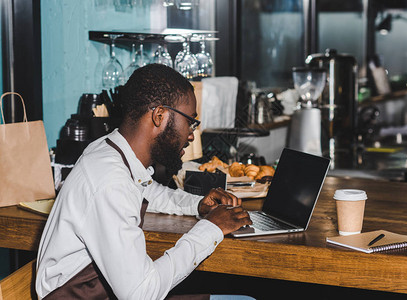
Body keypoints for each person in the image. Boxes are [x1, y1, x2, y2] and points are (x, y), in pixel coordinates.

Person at [35, 64, 253, 299]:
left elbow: (149, 191)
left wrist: (197, 205)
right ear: (159, 116)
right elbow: (142, 293)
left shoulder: (109, 149)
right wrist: (211, 228)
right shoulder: (110, 181)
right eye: (190, 122)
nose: (191, 134)